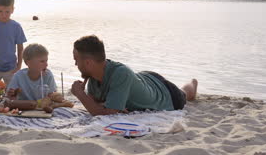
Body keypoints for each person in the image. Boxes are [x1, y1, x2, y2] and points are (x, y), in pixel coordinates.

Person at [70, 35, 198, 116]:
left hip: (164, 92)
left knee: (185, 94)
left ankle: (193, 83)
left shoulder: (120, 73)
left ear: (88, 62)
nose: (75, 64)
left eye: (76, 60)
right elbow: (95, 104)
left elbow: (103, 112)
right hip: (143, 79)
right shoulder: (92, 77)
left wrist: (80, 94)